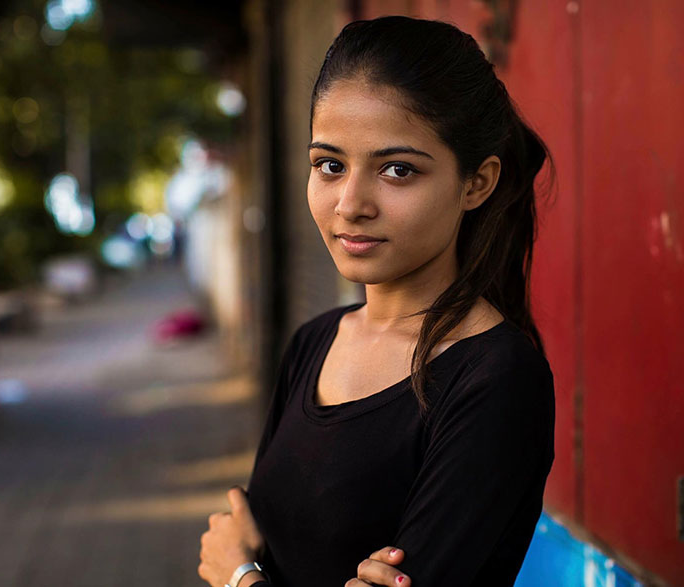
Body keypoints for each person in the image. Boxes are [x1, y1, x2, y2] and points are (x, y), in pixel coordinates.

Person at [198, 15, 556, 587]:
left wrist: (237, 574)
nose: (350, 204)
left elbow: (247, 555)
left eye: (397, 170)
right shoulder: (315, 342)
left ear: (476, 183)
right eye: (330, 165)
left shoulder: (495, 377)